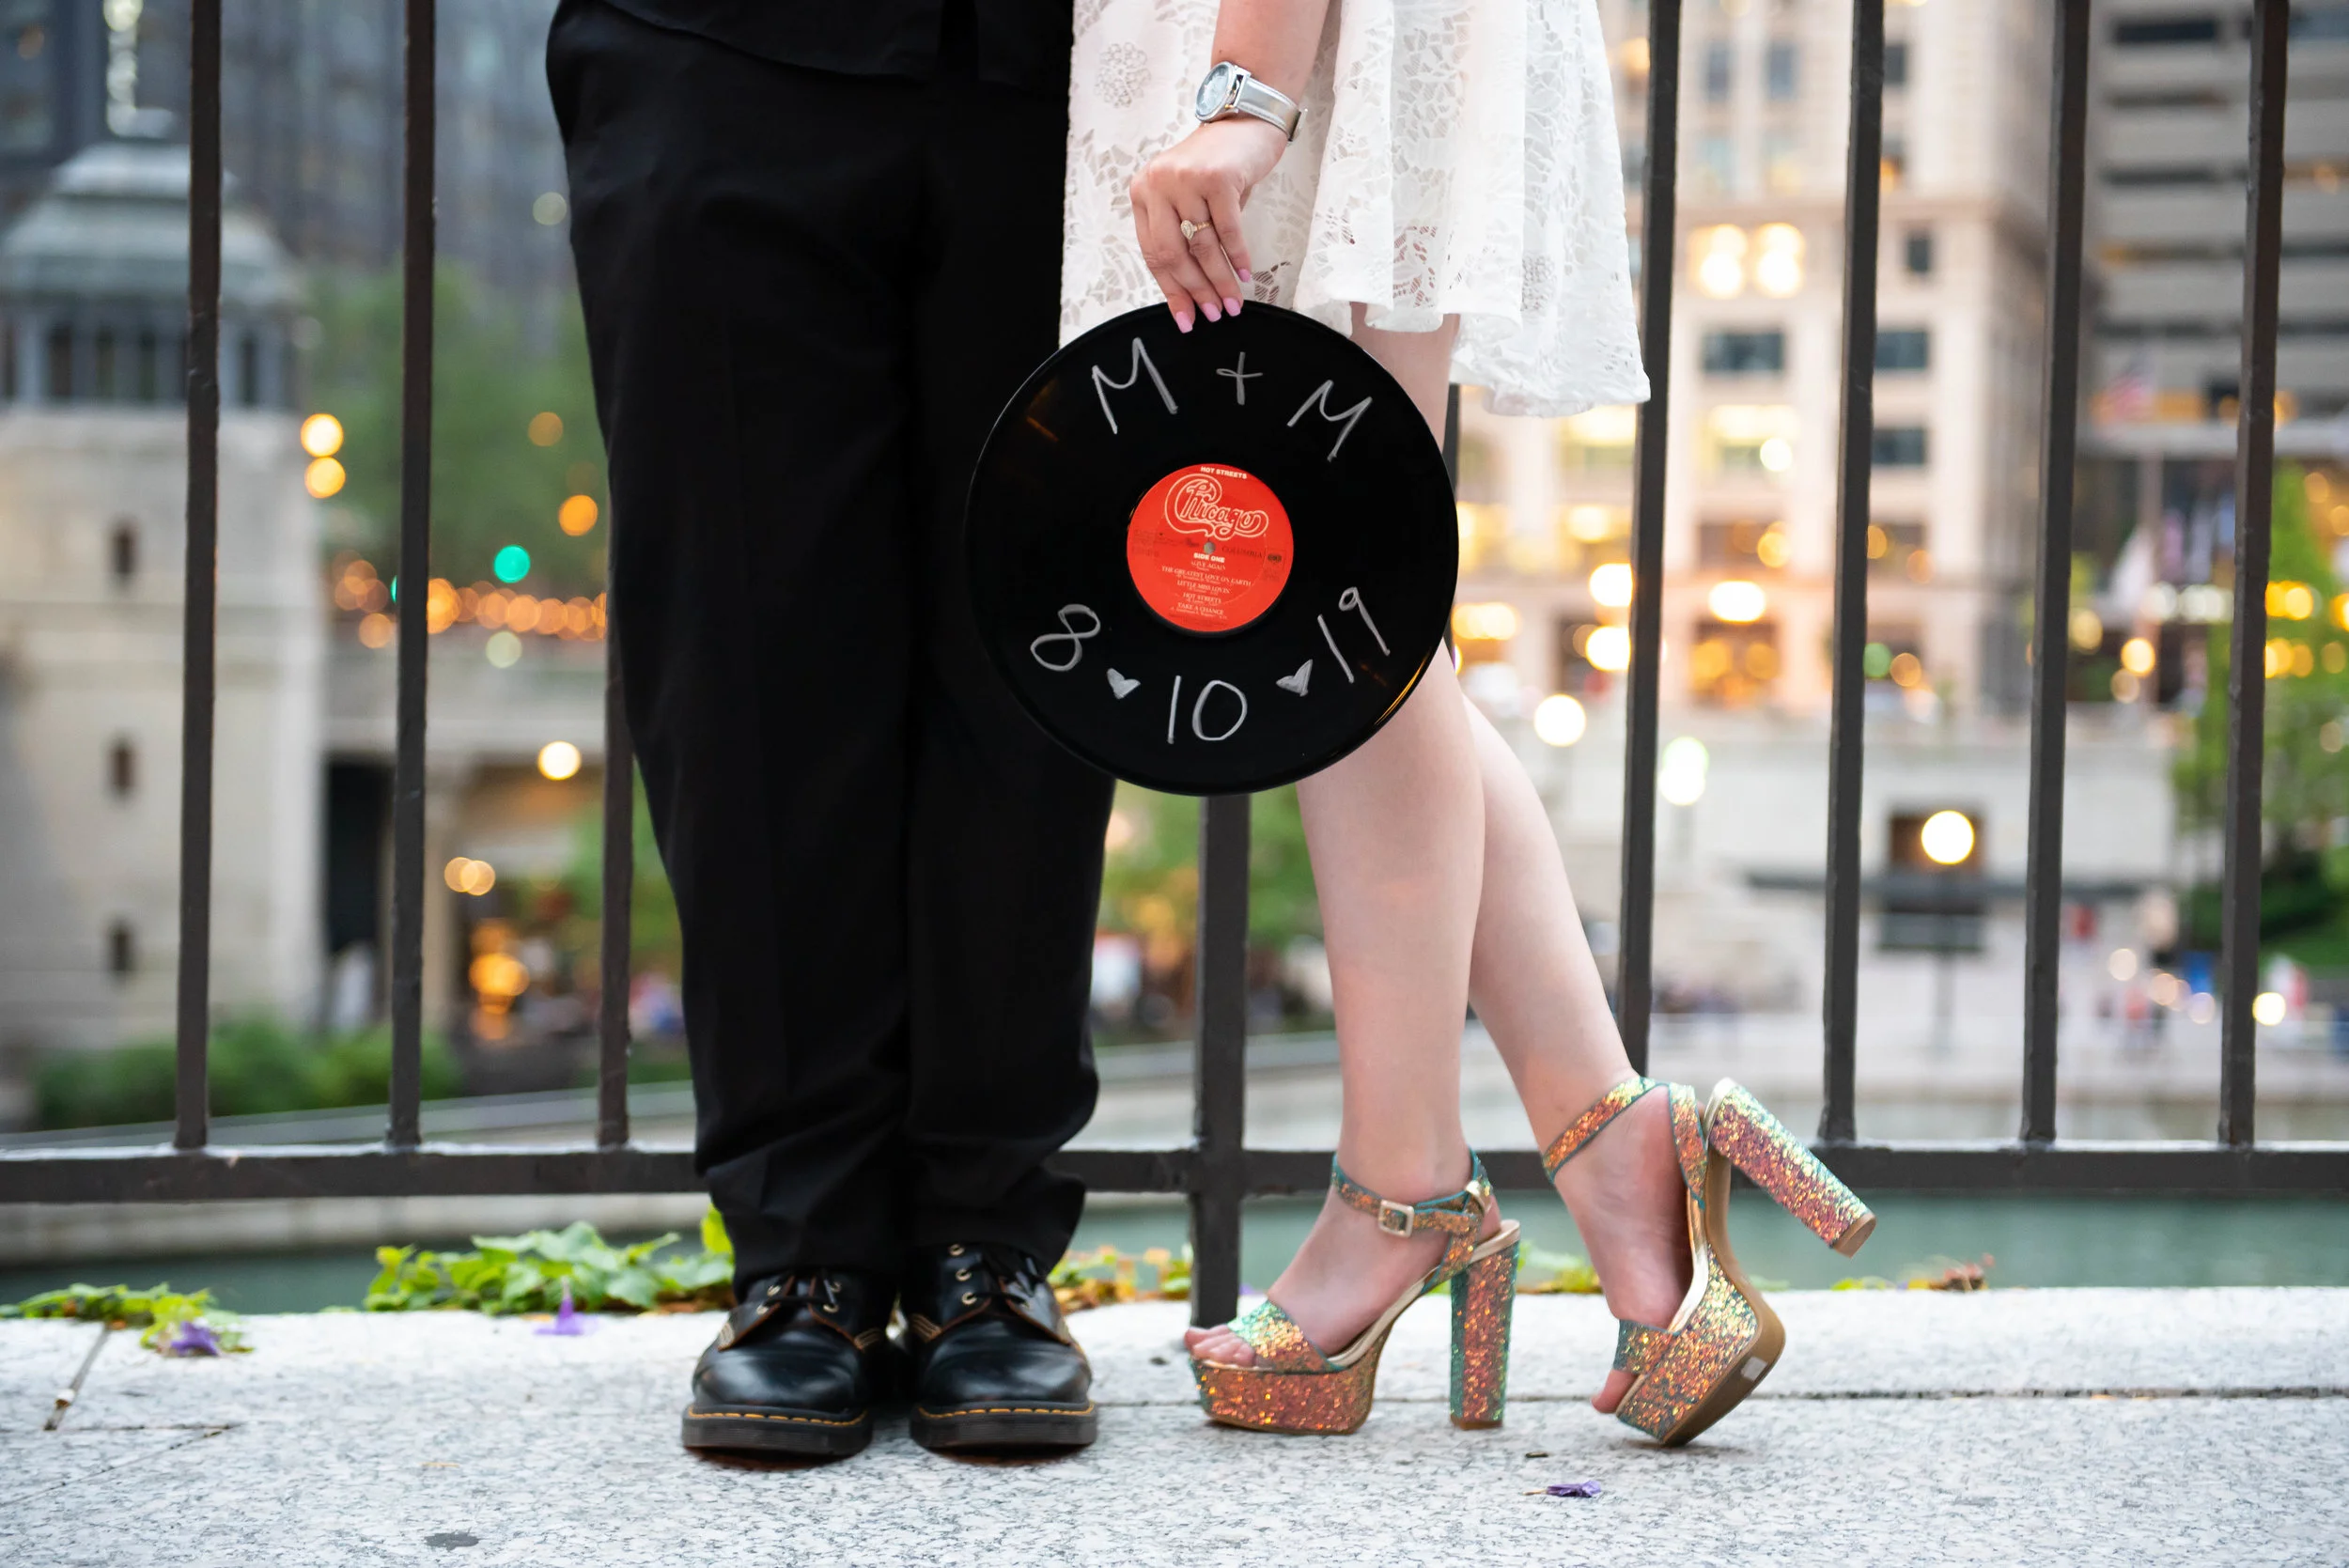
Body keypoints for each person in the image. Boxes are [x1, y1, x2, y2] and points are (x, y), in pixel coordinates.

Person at [1066, 0, 1875, 1444]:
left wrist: (1248, 88)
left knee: (1331, 593)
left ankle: (1405, 1184)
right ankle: (1613, 1141)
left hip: (1298, 42)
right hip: (1302, 44)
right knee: (1348, 604)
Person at [548, 0, 1112, 1457]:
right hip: (708, 45)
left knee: (1031, 655)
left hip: (1053, 67)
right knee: (741, 660)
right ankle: (801, 1257)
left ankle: (986, 1248)